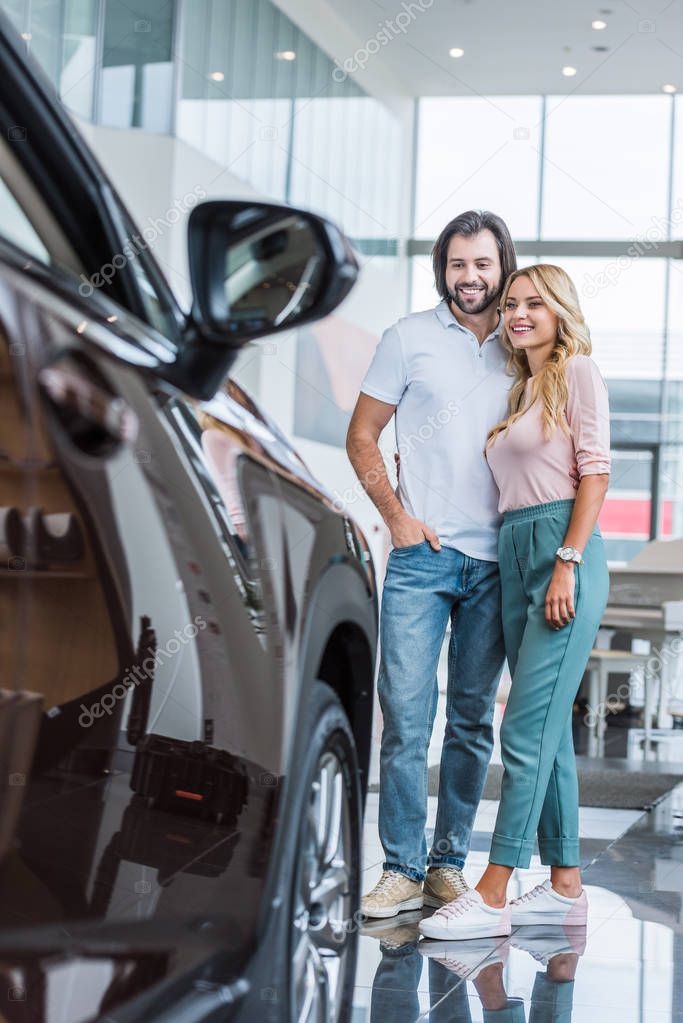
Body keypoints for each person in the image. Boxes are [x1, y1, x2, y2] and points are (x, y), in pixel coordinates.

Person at [419, 264, 611, 941]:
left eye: (534, 303)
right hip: (512, 553)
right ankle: (563, 886)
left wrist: (567, 560)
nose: (519, 313)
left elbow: (595, 472)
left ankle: (493, 888)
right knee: (548, 732)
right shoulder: (521, 388)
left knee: (522, 731)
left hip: (560, 552)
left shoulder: (576, 372)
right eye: (511, 304)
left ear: (560, 310)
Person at [346, 210, 516, 918]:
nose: (468, 277)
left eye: (481, 263)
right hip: (422, 557)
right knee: (407, 717)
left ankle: (448, 865)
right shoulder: (407, 338)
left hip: (498, 560)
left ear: (502, 265)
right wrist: (396, 518)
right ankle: (400, 867)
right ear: (441, 268)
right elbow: (361, 435)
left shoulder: (525, 342)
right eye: (456, 264)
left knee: (473, 720)